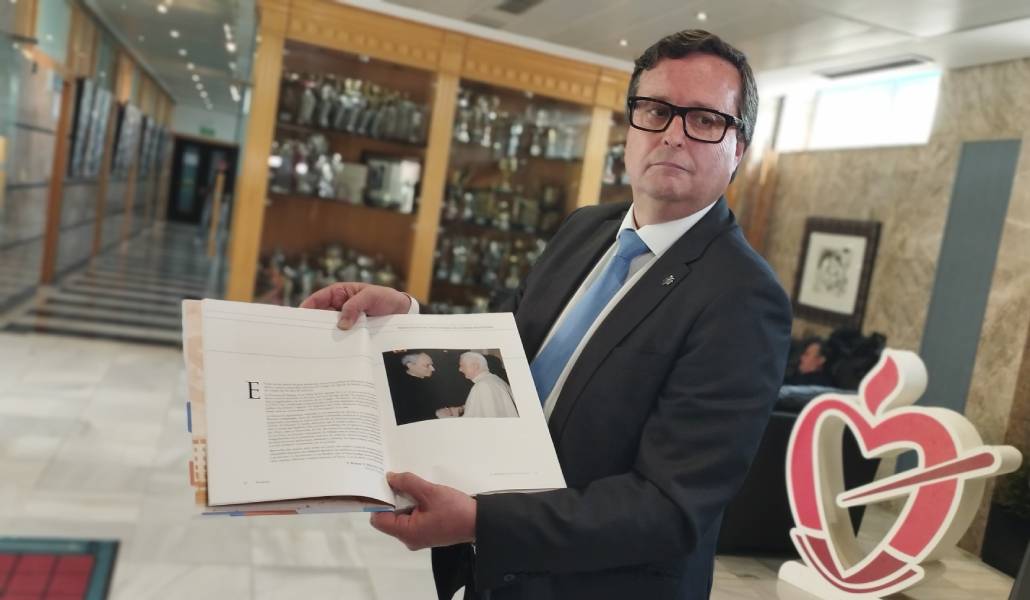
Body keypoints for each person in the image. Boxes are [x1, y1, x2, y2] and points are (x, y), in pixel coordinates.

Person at [301, 29, 792, 600]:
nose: (673, 134)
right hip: (497, 573)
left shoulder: (743, 297)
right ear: (631, 126)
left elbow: (670, 507)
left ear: (739, 148)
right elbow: (510, 353)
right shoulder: (585, 228)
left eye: (705, 119)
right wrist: (407, 316)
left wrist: (483, 523)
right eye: (656, 110)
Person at [456, 352, 518, 418]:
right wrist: (462, 408)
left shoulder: (482, 385)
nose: (460, 369)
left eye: (462, 365)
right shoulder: (494, 379)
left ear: (475, 366)